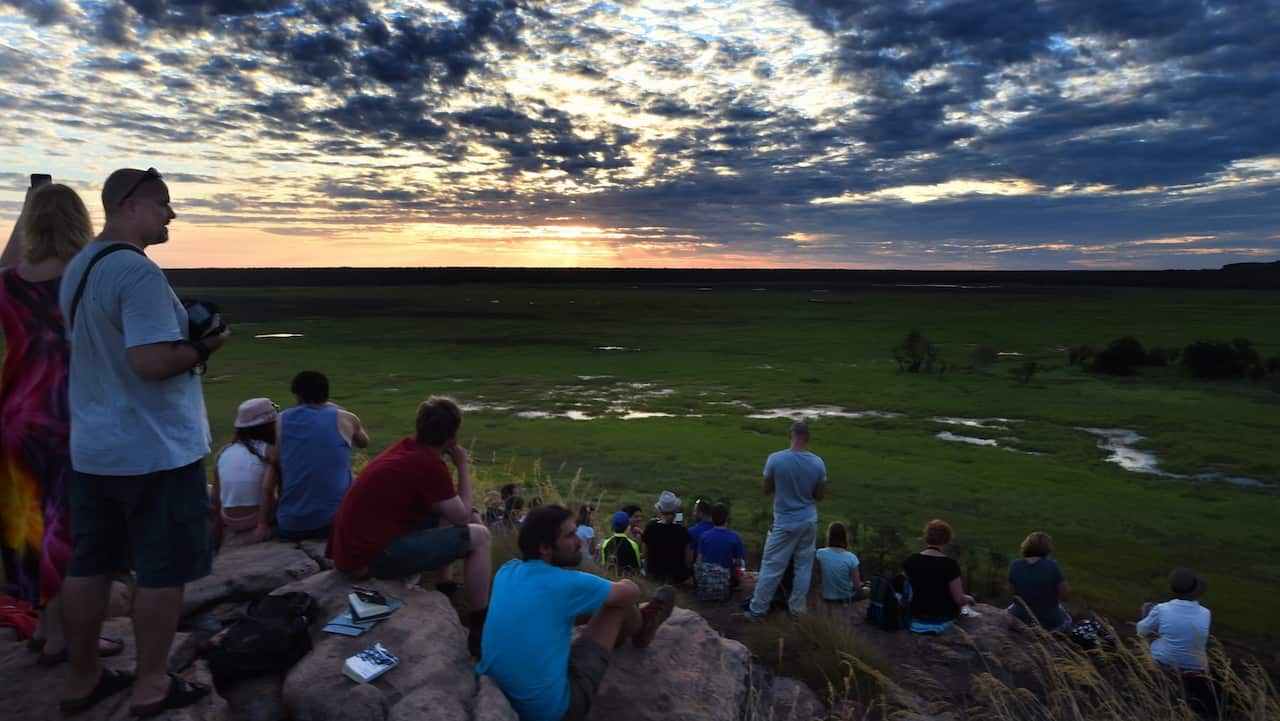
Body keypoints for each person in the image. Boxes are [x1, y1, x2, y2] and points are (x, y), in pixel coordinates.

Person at [58, 167, 230, 716]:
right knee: (162, 571)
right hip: (154, 451)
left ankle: (81, 678)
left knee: (89, 564)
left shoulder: (79, 266)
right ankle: (152, 685)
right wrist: (205, 347)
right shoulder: (138, 274)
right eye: (163, 205)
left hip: (94, 448)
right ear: (129, 206)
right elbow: (150, 362)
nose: (171, 215)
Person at [0, 181, 122, 665]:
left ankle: (46, 629)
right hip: (70, 413)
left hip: (14, 415)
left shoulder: (7, 282)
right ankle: (63, 641)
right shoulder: (85, 276)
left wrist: (29, 209)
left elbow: (8, 258)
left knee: (31, 524)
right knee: (71, 528)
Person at [478, 505, 675, 721]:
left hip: (500, 693)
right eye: (570, 536)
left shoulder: (507, 571)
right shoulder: (564, 584)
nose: (578, 541)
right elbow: (631, 592)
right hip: (555, 711)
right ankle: (643, 628)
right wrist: (624, 583)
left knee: (580, 606)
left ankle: (630, 628)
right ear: (545, 547)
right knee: (619, 604)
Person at [326, 396, 491, 655]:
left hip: (353, 550)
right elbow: (462, 515)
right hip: (367, 560)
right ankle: (481, 624)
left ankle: (445, 589)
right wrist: (462, 466)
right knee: (479, 535)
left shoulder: (407, 448)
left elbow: (454, 512)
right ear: (453, 436)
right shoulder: (427, 464)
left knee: (456, 515)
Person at [258, 370, 369, 541]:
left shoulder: (280, 421)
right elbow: (363, 442)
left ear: (298, 397)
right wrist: (337, 409)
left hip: (290, 525)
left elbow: (272, 464)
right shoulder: (346, 418)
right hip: (335, 522)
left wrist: (263, 524)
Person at [744, 421, 826, 618]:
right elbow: (819, 495)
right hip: (808, 520)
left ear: (790, 435)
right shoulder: (817, 463)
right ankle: (797, 610)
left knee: (772, 565)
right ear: (808, 438)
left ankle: (758, 609)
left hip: (785, 521)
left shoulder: (775, 459)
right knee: (803, 567)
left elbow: (766, 490)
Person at [210, 398, 279, 548]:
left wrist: (216, 534)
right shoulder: (270, 450)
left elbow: (216, 499)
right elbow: (268, 489)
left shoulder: (224, 451)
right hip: (255, 518)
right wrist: (262, 525)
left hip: (229, 519)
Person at [902, 519, 975, 634]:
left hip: (915, 614)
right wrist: (969, 599)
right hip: (943, 616)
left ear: (926, 537)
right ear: (947, 539)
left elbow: (905, 591)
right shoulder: (950, 565)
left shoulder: (910, 561)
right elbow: (958, 599)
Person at [1137, 568, 1211, 671]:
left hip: (1163, 660)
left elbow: (1140, 631)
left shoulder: (1161, 608)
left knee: (1147, 607)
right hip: (1197, 666)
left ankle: (1147, 658)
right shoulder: (1206, 613)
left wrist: (1155, 632)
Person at [1006, 531, 1070, 632]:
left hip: (1020, 620)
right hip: (1050, 624)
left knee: (1008, 610)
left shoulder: (1015, 565)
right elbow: (1065, 595)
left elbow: (1010, 596)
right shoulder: (1053, 566)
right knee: (1068, 619)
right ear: (1047, 548)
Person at [641, 491, 691, 584]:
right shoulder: (682, 531)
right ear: (676, 510)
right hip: (677, 577)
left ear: (659, 509)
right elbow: (688, 559)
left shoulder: (650, 527)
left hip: (654, 576)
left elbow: (644, 554)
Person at [695, 503, 747, 590]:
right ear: (727, 518)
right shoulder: (735, 537)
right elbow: (738, 562)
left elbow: (699, 560)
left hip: (708, 580)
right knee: (742, 562)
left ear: (712, 518)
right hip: (727, 581)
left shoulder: (704, 536)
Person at [814, 522, 863, 604]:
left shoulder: (819, 553)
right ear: (844, 537)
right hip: (846, 597)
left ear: (829, 536)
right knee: (868, 590)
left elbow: (816, 575)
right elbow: (857, 586)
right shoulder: (851, 557)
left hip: (826, 596)